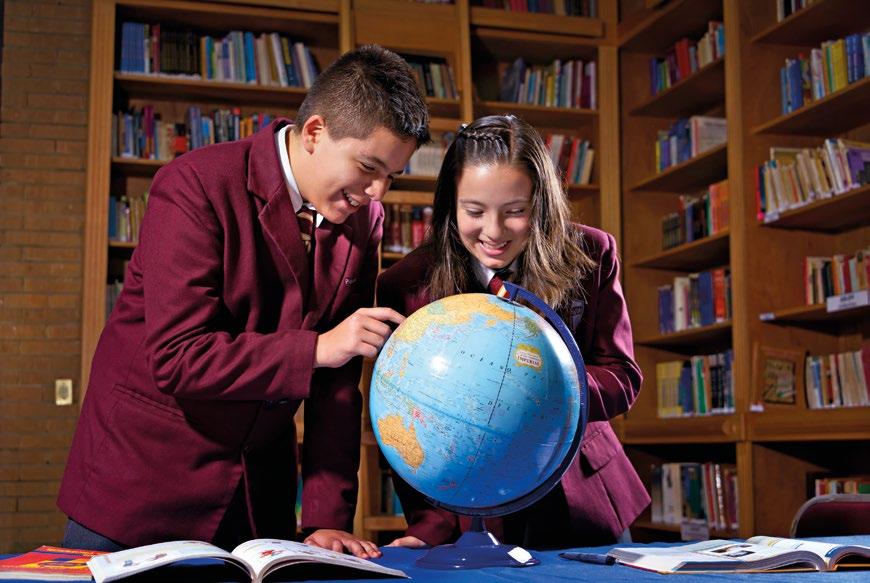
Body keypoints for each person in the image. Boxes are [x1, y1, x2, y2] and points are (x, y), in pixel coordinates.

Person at [57, 45, 430, 557]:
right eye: (368, 167)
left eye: (392, 176)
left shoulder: (365, 220)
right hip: (141, 485)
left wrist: (325, 520)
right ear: (315, 132)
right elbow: (177, 357)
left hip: (259, 500)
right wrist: (316, 348)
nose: (377, 192)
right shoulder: (194, 185)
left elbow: (338, 382)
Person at [376, 115, 650, 550]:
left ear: (541, 204)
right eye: (474, 212)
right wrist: (427, 529)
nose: (494, 232)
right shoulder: (405, 284)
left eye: (515, 212)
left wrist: (545, 389)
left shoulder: (591, 254)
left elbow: (622, 376)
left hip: (580, 497)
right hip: (469, 509)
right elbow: (405, 413)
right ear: (449, 205)